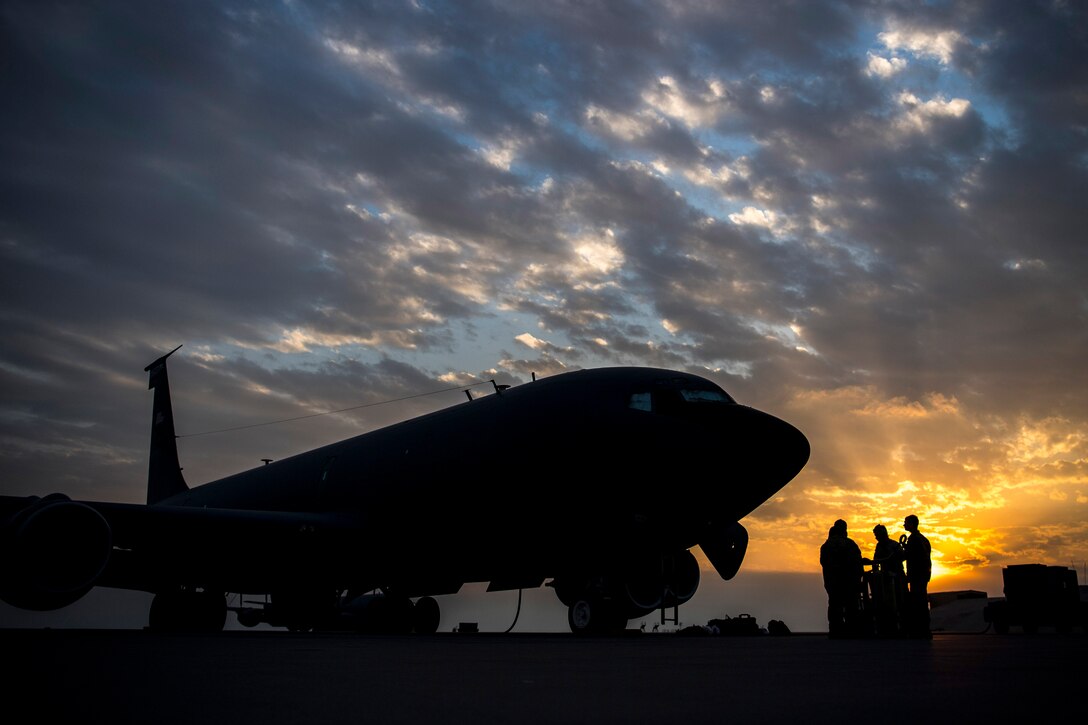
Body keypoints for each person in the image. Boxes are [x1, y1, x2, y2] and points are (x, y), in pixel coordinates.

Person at [819, 519, 864, 637]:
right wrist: (858, 579)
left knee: (834, 605)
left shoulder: (826, 545)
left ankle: (835, 631)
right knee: (851, 606)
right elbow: (858, 563)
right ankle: (851, 630)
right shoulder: (850, 544)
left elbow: (824, 563)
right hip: (849, 582)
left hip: (832, 583)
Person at [862, 524, 905, 636]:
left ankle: (902, 629)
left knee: (900, 604)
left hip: (897, 579)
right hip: (884, 580)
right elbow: (877, 561)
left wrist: (875, 562)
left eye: (877, 535)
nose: (876, 537)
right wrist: (873, 565)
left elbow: (897, 558)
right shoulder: (879, 546)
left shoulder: (894, 545)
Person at [902, 514, 932, 637]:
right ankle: (924, 628)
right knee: (921, 600)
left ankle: (921, 629)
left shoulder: (914, 539)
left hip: (917, 576)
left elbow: (910, 556)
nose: (904, 525)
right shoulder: (922, 539)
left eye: (906, 522)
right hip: (922, 575)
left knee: (918, 601)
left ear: (912, 524)